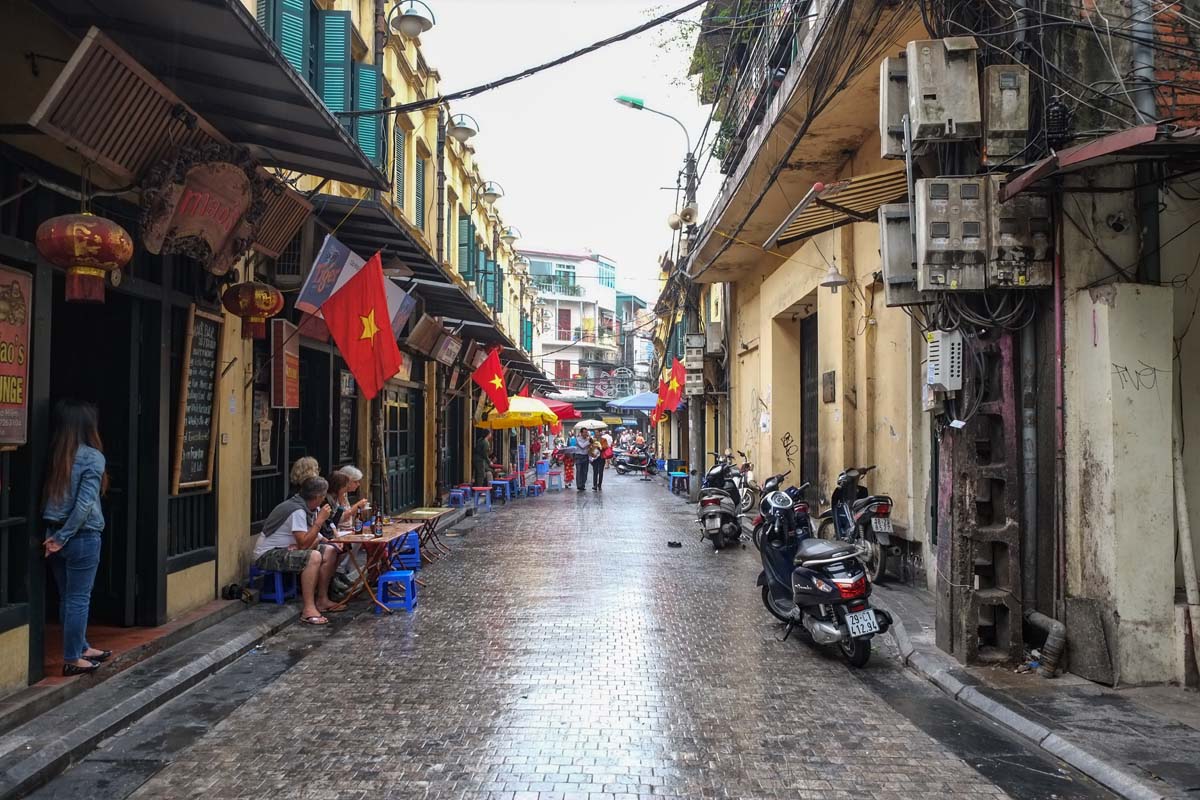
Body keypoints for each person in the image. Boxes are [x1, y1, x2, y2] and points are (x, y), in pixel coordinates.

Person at [42, 399, 111, 676]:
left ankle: (81, 646)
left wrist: (55, 536)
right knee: (79, 598)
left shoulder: (56, 454)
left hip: (53, 532)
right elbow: (83, 506)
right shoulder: (92, 457)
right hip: (80, 536)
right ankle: (72, 657)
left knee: (67, 598)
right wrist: (63, 537)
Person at [253, 476, 339, 625]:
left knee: (330, 551)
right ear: (319, 496)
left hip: (287, 549)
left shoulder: (307, 507)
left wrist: (334, 542)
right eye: (324, 496)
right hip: (268, 554)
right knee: (314, 556)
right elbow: (305, 544)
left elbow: (312, 537)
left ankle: (322, 599)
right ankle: (308, 609)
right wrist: (319, 521)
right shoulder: (297, 510)